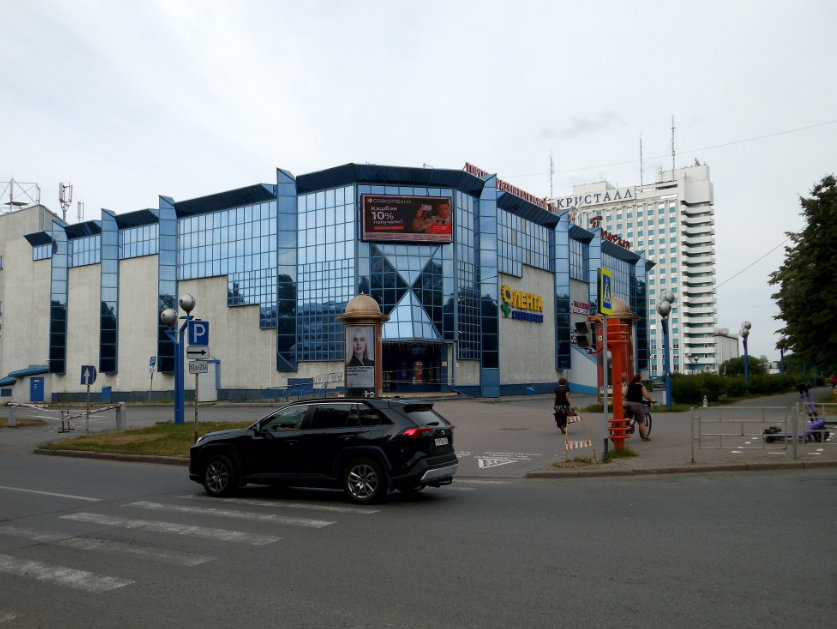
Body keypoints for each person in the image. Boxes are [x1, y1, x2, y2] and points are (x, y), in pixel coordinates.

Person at [622, 374, 656, 441]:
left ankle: (622, 432)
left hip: (627, 404)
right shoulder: (642, 387)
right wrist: (651, 400)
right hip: (637, 405)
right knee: (641, 422)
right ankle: (645, 438)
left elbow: (625, 395)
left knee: (625, 419)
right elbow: (646, 396)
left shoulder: (629, 386)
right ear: (640, 380)